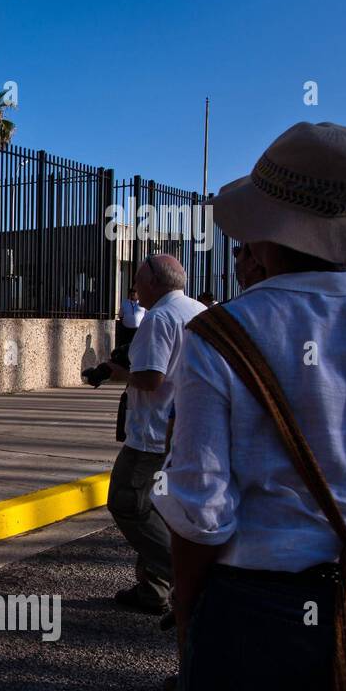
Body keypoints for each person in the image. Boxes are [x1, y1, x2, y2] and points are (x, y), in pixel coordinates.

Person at [153, 121, 346, 691]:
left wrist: (192, 628)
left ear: (265, 233)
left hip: (257, 615)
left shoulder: (222, 335)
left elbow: (200, 514)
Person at [104, 254, 205, 613]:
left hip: (152, 434)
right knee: (162, 509)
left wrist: (118, 373)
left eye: (137, 282)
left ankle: (186, 578)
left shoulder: (159, 318)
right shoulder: (197, 311)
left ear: (154, 284)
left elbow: (150, 378)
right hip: (186, 429)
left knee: (127, 502)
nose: (134, 289)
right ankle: (153, 591)